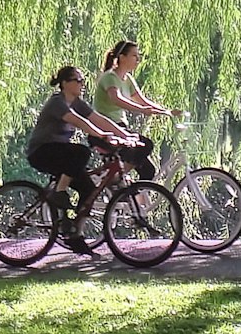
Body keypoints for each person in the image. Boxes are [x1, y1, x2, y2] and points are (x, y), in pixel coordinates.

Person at [26, 66, 138, 251]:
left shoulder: (77, 102)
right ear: (64, 83)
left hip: (59, 153)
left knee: (89, 189)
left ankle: (74, 233)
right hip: (41, 152)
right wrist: (103, 136)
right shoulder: (57, 102)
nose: (82, 84)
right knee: (81, 152)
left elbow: (98, 118)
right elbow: (79, 121)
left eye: (82, 80)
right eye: (77, 80)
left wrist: (125, 135)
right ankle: (59, 193)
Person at [92, 40, 182, 181]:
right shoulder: (110, 77)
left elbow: (143, 101)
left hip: (120, 129)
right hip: (106, 132)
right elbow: (117, 98)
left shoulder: (127, 79)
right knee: (146, 145)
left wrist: (167, 112)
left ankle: (127, 195)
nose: (138, 59)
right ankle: (115, 179)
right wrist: (141, 110)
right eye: (134, 55)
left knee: (148, 171)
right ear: (122, 57)